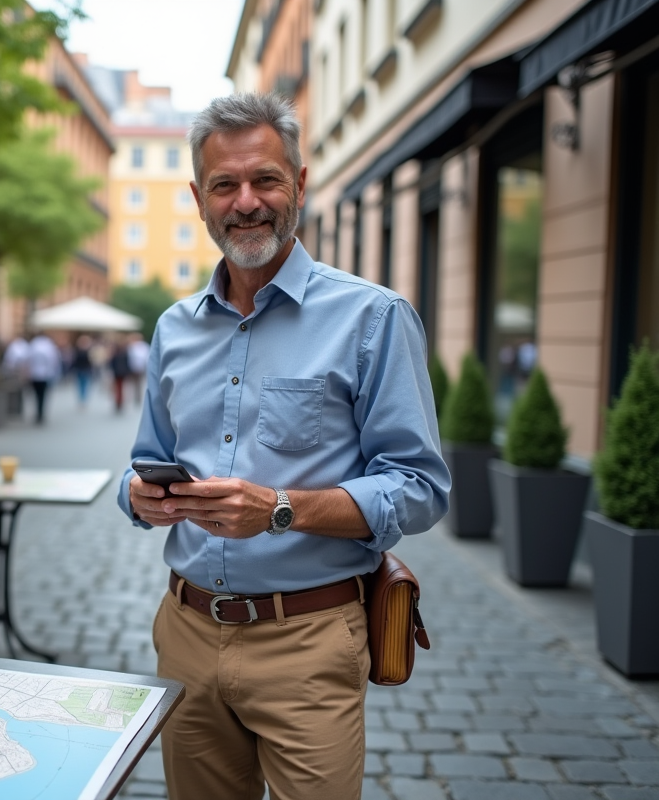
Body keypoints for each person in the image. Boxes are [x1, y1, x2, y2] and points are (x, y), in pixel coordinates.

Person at [118, 92, 450, 800]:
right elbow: (144, 459)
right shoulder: (174, 329)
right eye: (224, 185)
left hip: (308, 641)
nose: (246, 202)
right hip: (184, 633)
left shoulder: (373, 316)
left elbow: (420, 487)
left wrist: (279, 509)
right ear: (199, 200)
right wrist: (139, 495)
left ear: (300, 184)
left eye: (265, 179)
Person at [26, 331, 62, 424]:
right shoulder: (49, 345)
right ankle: (41, 413)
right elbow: (54, 360)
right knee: (43, 395)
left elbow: (28, 359)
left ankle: (38, 413)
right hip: (46, 375)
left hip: (35, 374)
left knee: (36, 395)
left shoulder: (33, 344)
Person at [126, 332, 150, 405]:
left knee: (137, 383)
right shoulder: (133, 346)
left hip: (139, 367)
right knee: (135, 383)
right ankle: (135, 397)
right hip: (135, 367)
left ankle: (137, 397)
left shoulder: (141, 346)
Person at [72, 334, 95, 408]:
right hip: (82, 370)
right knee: (82, 385)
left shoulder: (82, 351)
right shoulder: (84, 351)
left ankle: (82, 399)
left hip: (83, 370)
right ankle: (82, 399)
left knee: (83, 385)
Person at [109, 337, 131, 413]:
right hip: (122, 373)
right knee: (121, 388)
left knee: (118, 388)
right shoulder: (125, 354)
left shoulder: (115, 354)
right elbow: (128, 364)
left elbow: (111, 364)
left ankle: (118, 401)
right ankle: (120, 400)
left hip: (117, 373)